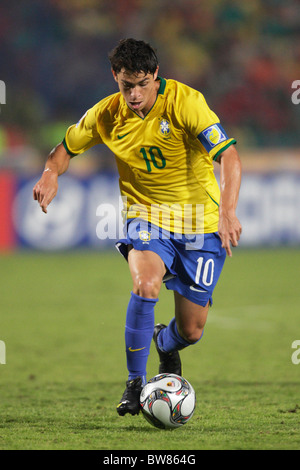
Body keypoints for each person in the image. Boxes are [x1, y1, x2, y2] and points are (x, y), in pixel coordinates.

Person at [33, 38, 242, 417]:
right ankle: (135, 383)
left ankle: (165, 343)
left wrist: (228, 211)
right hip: (146, 216)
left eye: (142, 84)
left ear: (156, 76)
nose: (133, 93)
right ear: (115, 76)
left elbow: (228, 155)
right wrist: (50, 174)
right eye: (126, 84)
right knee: (145, 286)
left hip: (200, 222)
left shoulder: (186, 102)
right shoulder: (105, 114)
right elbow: (62, 150)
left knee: (191, 331)